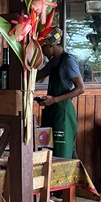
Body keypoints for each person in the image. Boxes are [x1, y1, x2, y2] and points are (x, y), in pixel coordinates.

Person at [36, 29, 85, 161]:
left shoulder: (68, 61)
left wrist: (54, 99)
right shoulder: (53, 62)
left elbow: (80, 88)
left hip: (63, 114)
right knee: (51, 153)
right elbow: (38, 76)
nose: (43, 52)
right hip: (53, 112)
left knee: (63, 156)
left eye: (43, 48)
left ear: (51, 45)